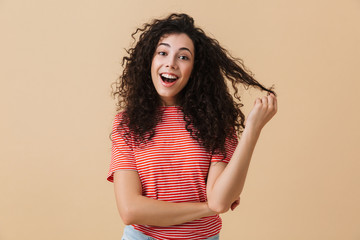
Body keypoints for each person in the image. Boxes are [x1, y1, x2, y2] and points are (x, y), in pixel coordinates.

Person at [107, 13, 278, 240]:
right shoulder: (127, 124)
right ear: (149, 60)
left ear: (195, 69)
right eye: (163, 52)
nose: (171, 63)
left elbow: (219, 199)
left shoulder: (216, 122)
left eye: (184, 57)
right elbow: (130, 210)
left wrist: (252, 131)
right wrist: (207, 209)